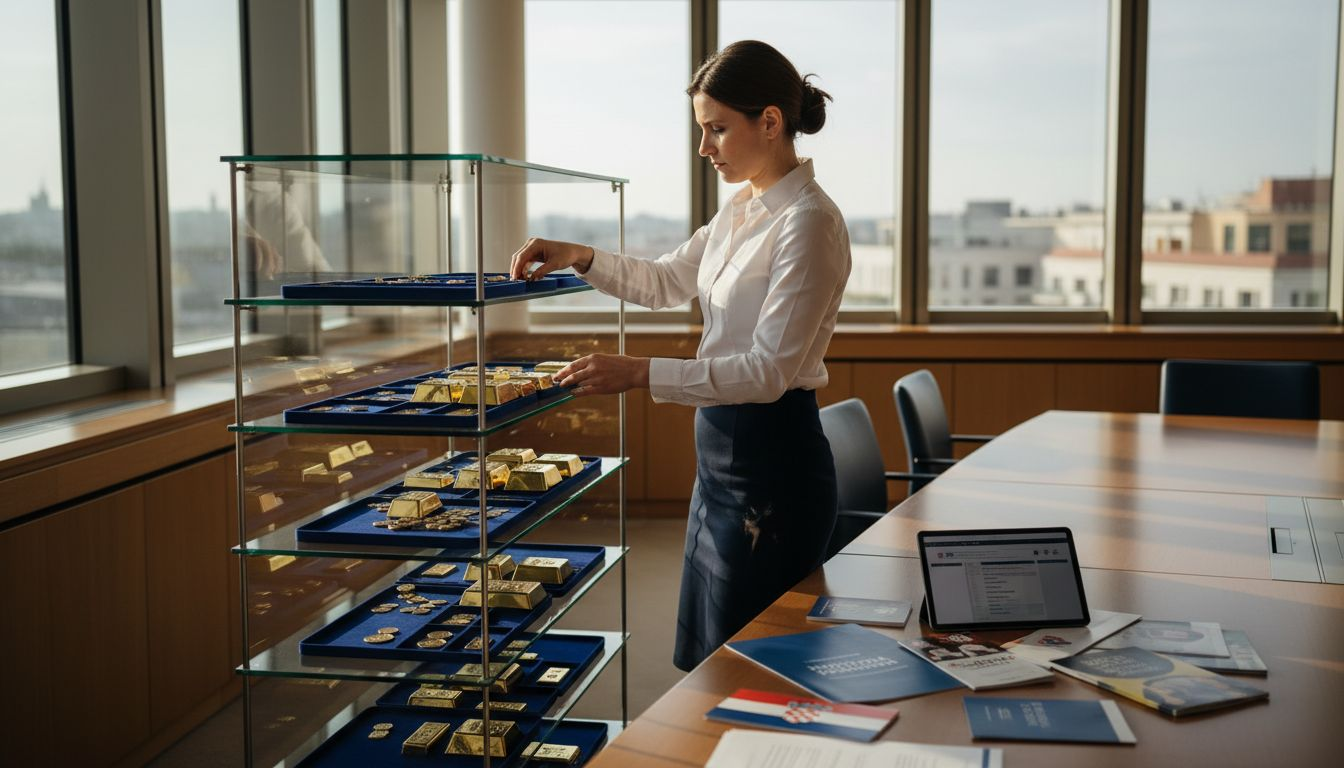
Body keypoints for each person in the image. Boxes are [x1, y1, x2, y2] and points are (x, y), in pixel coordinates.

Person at [510, 40, 852, 671]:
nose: (705, 149)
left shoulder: (809, 223)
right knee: (709, 663)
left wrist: (638, 373)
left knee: (756, 669)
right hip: (720, 460)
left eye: (716, 129)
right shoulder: (742, 211)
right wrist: (581, 256)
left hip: (774, 464)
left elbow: (769, 373)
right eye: (703, 130)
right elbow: (667, 281)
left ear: (770, 122)